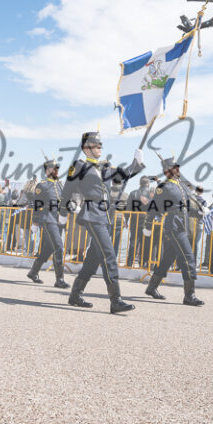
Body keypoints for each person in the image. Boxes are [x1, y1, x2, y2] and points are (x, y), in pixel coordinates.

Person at [59, 131, 144, 313]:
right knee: (108, 255)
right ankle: (116, 300)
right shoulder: (79, 166)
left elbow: (124, 175)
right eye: (95, 146)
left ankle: (75, 294)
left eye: (100, 146)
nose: (99, 149)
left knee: (94, 258)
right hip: (91, 213)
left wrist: (136, 162)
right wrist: (63, 212)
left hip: (105, 215)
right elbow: (67, 191)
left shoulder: (105, 168)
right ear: (85, 148)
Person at [143, 156, 204, 306]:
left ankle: (151, 288)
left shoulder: (181, 185)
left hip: (183, 225)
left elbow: (187, 205)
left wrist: (199, 213)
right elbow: (153, 208)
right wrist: (148, 225)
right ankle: (189, 296)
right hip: (174, 226)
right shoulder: (163, 187)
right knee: (188, 257)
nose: (178, 170)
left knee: (167, 259)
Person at [25, 158, 70, 288]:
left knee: (48, 248)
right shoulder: (42, 185)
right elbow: (37, 204)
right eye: (54, 168)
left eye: (57, 168)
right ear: (47, 170)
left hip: (58, 220)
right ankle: (59, 279)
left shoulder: (60, 185)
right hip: (47, 219)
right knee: (59, 247)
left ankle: (33, 272)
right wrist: (35, 222)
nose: (56, 171)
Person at [125, 176, 150, 267]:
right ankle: (142, 263)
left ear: (140, 183)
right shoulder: (151, 194)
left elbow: (128, 208)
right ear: (148, 184)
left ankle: (129, 263)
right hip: (147, 222)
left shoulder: (133, 193)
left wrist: (126, 220)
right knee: (145, 243)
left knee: (133, 242)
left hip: (135, 220)